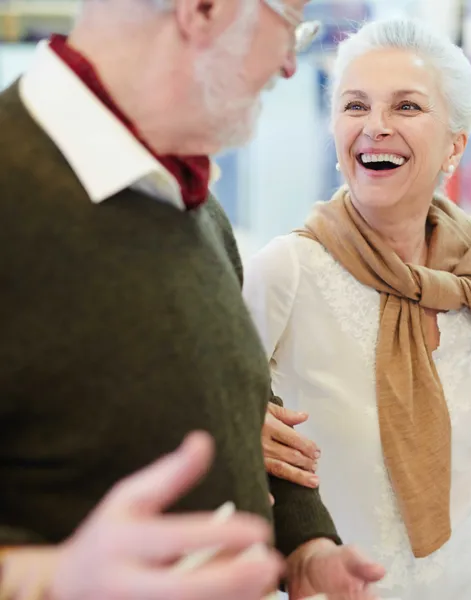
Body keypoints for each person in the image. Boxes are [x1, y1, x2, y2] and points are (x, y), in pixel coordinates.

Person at [0, 1, 384, 598]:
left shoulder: (189, 199)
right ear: (204, 9)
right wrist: (45, 579)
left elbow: (237, 398)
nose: (290, 63)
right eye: (290, 24)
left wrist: (303, 548)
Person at [244, 19, 471, 599]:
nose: (375, 126)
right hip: (343, 585)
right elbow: (206, 414)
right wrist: (240, 426)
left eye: (406, 107)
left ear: (455, 143)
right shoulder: (288, 271)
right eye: (355, 106)